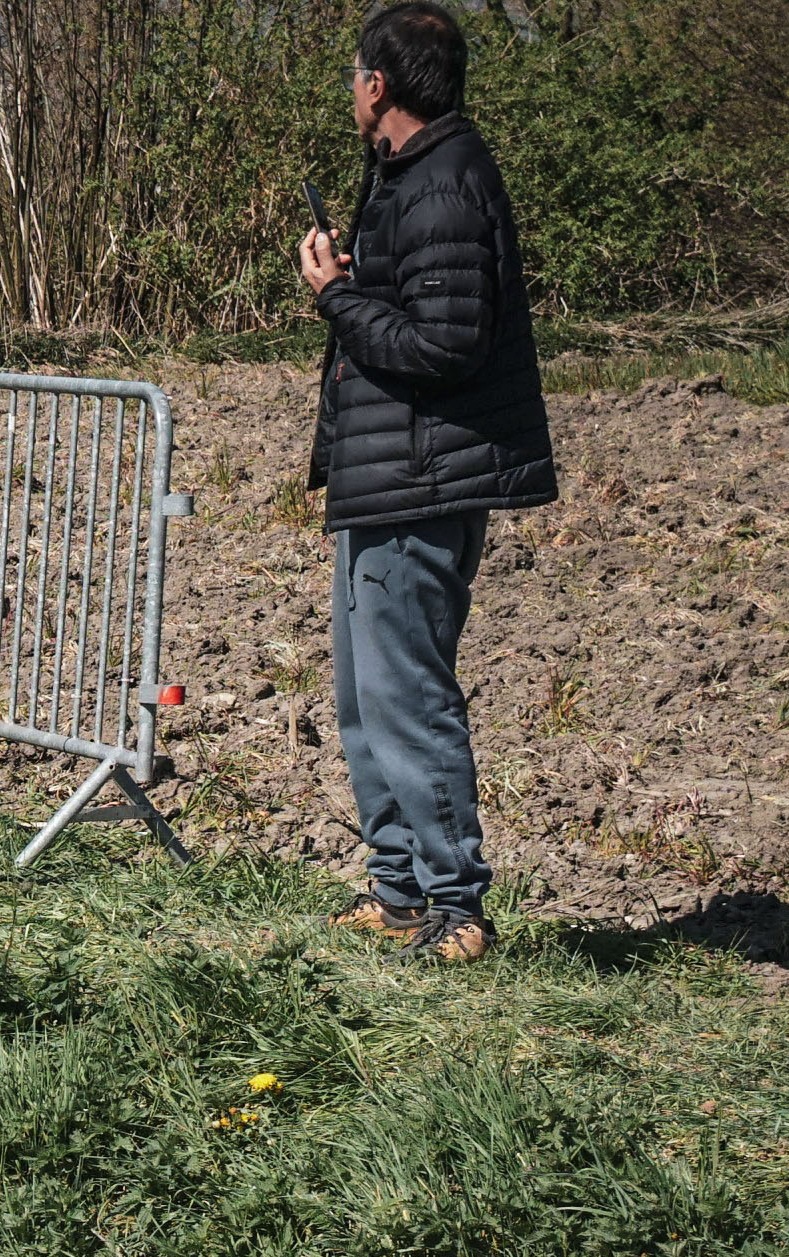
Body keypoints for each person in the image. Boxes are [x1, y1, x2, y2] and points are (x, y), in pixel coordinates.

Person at [299, 0, 554, 966]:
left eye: (355, 77)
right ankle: (400, 891)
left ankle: (458, 906)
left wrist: (334, 295)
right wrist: (360, 282)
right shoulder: (409, 177)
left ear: (379, 85)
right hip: (388, 472)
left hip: (424, 478)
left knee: (410, 696)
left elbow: (444, 346)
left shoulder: (444, 184)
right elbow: (418, 308)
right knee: (367, 700)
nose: (351, 93)